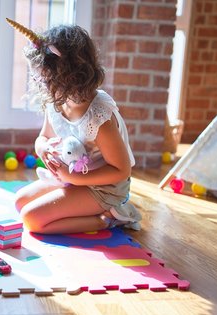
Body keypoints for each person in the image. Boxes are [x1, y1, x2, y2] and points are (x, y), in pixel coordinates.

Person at [7, 19, 142, 234]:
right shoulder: (57, 101)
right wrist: (44, 149)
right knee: (19, 202)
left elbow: (121, 170)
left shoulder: (98, 117)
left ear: (70, 76)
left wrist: (75, 178)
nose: (40, 83)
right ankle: (82, 207)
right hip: (72, 179)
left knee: (31, 220)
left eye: (46, 79)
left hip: (103, 188)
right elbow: (42, 137)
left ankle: (106, 219)